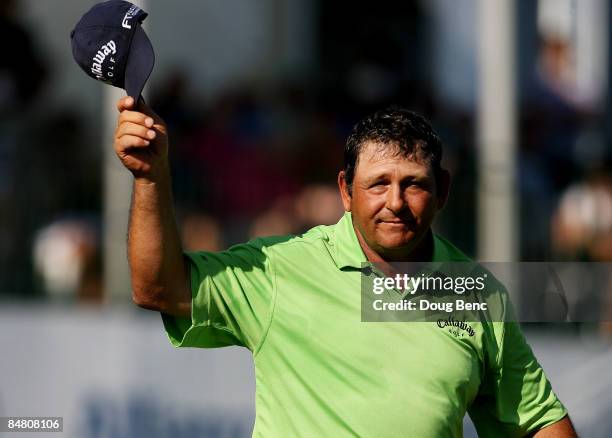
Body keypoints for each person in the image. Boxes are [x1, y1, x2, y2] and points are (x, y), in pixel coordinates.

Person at [113, 96, 576, 437]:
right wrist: (151, 177)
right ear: (345, 191)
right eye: (377, 184)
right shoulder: (280, 268)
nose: (395, 202)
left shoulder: (476, 291)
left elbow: (537, 423)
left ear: (443, 192)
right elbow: (157, 288)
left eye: (413, 184)